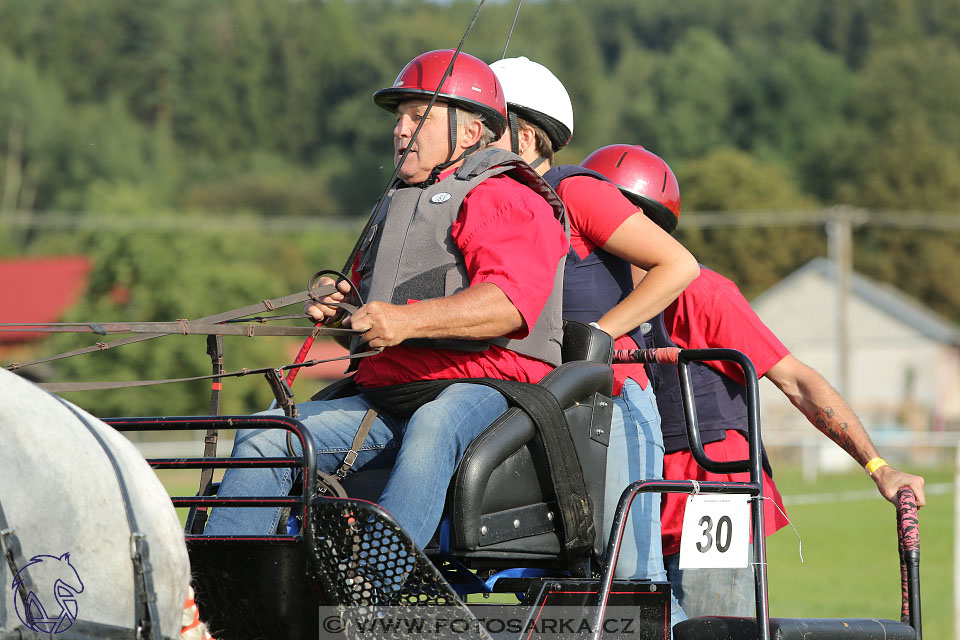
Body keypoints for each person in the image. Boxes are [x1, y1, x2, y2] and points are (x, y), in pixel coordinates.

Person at [204, 49, 570, 552]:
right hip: (392, 391)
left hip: (491, 387)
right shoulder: (394, 206)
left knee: (434, 425)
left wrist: (404, 320)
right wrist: (343, 314)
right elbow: (371, 317)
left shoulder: (508, 196)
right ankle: (221, 590)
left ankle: (375, 584)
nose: (401, 130)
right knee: (270, 433)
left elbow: (508, 304)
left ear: (468, 133)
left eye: (419, 118)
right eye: (399, 119)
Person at [581, 143, 928, 617]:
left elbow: (798, 381)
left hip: (711, 501)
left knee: (717, 630)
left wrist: (878, 467)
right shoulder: (580, 299)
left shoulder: (703, 293)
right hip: (632, 501)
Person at [489, 57, 699, 623]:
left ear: (526, 135)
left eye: (485, 125)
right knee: (548, 583)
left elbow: (678, 266)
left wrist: (603, 332)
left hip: (608, 403)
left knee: (632, 578)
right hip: (530, 406)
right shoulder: (482, 208)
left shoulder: (574, 191)